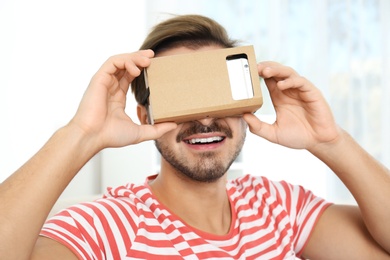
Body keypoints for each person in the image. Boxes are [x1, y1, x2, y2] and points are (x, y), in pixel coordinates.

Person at [0, 14, 389, 260]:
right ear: (143, 116)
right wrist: (81, 134)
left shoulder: (275, 205)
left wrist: (330, 141)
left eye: (218, 96)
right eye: (182, 97)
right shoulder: (108, 225)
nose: (204, 117)